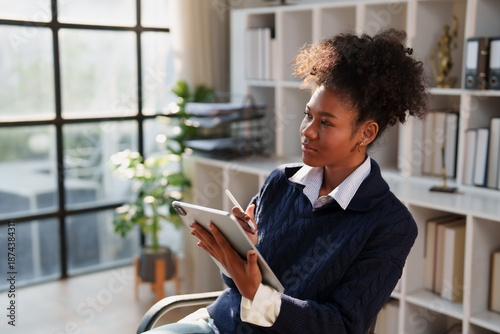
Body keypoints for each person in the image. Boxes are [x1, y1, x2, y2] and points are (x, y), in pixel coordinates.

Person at [145, 28, 428, 334]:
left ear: (366, 133)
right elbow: (236, 287)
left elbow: (342, 326)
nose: (307, 130)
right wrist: (239, 254)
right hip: (221, 324)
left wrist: (259, 294)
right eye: (309, 115)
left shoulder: (391, 225)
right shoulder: (281, 181)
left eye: (325, 123)